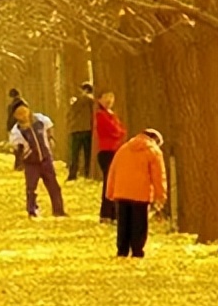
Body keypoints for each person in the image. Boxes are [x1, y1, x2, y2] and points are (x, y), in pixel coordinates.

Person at [106, 129, 167, 258]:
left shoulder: (123, 149)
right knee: (139, 224)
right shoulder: (154, 152)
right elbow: (158, 176)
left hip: (121, 192)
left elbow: (113, 171)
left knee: (123, 224)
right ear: (155, 140)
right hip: (141, 193)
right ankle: (137, 251)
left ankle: (122, 250)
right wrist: (160, 196)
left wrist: (110, 192)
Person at [9, 105, 66, 218]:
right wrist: (20, 158)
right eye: (19, 114)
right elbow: (17, 147)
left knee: (53, 185)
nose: (23, 115)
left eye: (24, 111)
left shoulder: (40, 120)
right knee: (31, 187)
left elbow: (49, 128)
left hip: (46, 159)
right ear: (15, 116)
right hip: (31, 163)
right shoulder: (17, 131)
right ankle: (32, 210)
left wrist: (50, 139)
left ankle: (58, 210)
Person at [94, 91, 127, 224]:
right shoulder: (100, 115)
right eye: (106, 97)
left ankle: (114, 213)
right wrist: (119, 132)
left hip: (115, 151)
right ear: (99, 99)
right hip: (106, 152)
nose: (109, 100)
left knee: (114, 183)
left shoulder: (111, 114)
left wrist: (119, 131)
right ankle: (106, 213)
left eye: (111, 97)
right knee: (109, 183)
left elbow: (121, 130)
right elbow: (114, 131)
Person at [66, 82, 95, 181]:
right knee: (87, 154)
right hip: (88, 129)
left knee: (75, 154)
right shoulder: (92, 100)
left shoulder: (76, 100)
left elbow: (70, 113)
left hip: (76, 129)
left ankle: (73, 174)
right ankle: (87, 173)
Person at [6, 88, 28, 171]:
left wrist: (9, 127)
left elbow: (11, 118)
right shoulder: (24, 104)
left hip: (16, 127)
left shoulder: (12, 105)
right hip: (23, 126)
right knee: (21, 146)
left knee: (18, 147)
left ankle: (19, 164)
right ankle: (20, 164)